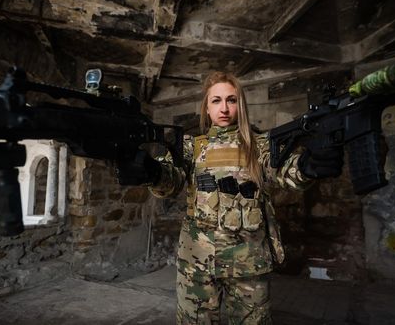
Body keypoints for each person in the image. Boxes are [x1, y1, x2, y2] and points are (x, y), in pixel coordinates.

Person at [118, 71, 343, 324]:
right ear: (206, 107)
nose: (224, 108)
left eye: (231, 100)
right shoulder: (190, 147)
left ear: (241, 105)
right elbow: (170, 181)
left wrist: (307, 165)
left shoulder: (259, 146)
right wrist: (152, 171)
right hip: (198, 263)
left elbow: (285, 172)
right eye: (216, 100)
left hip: (248, 262)